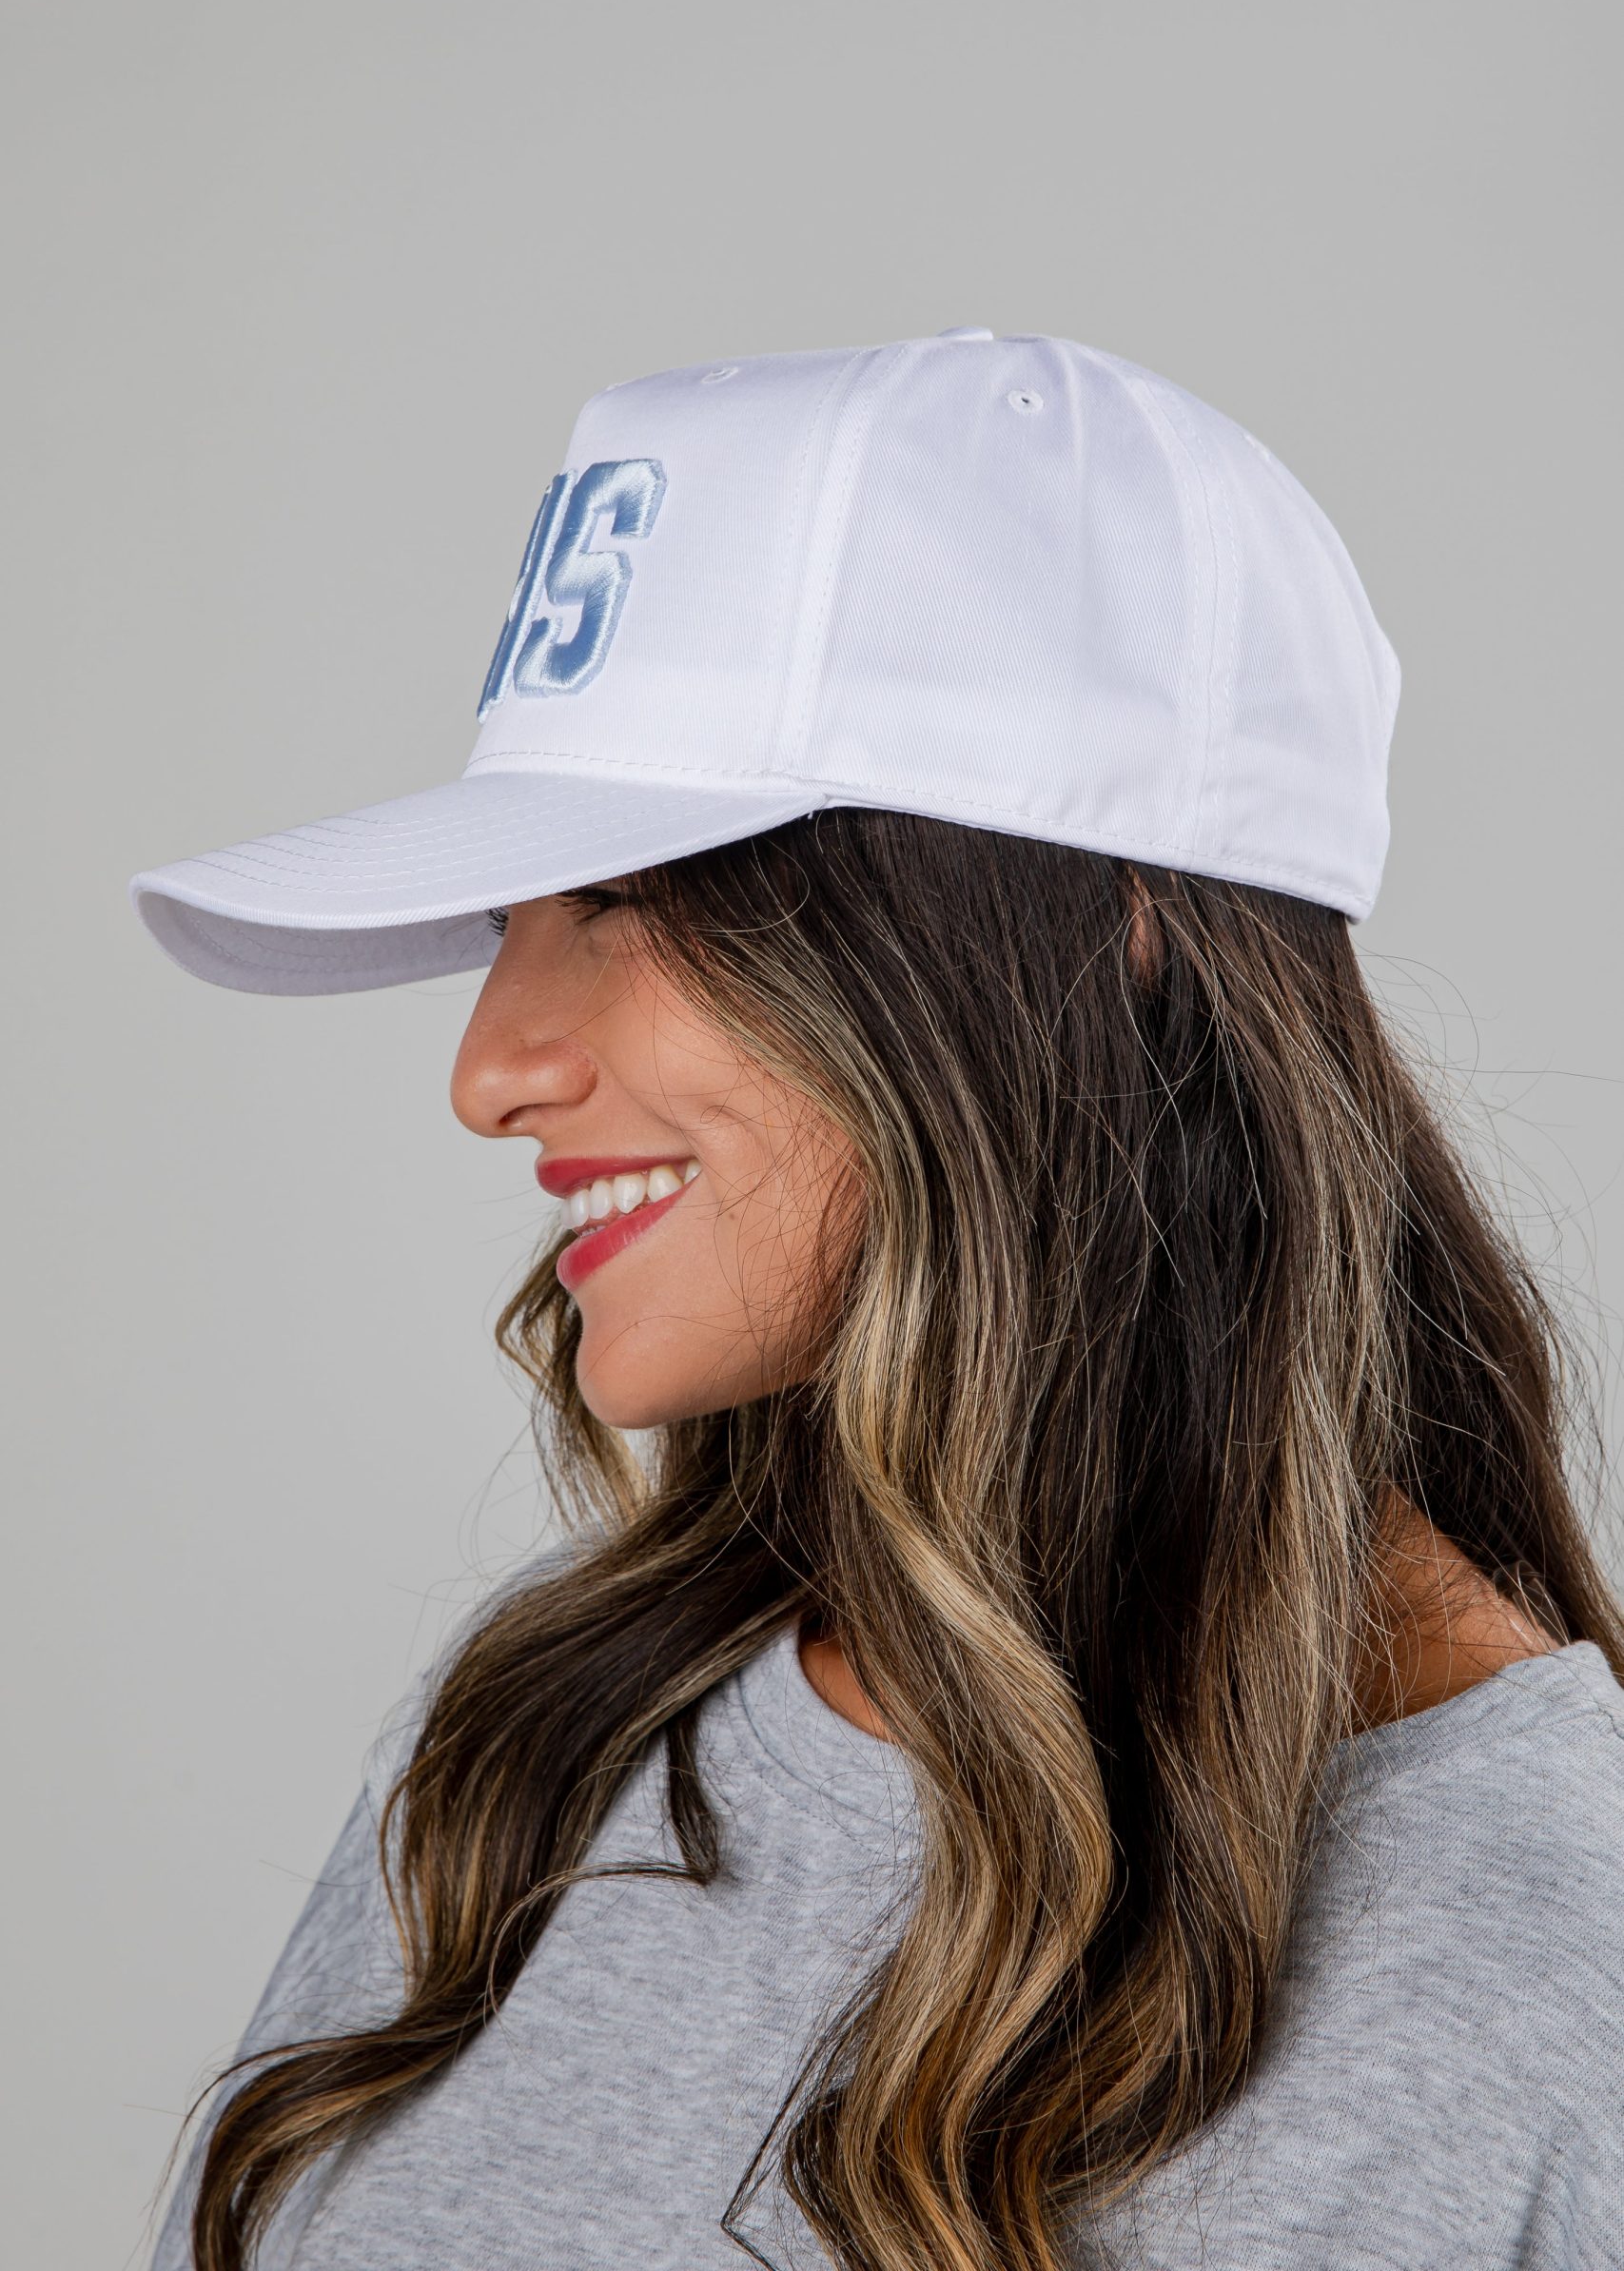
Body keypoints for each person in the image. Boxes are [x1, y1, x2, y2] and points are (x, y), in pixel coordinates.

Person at [131, 330, 1624, 2271]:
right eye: (511, 914)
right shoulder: (539, 1745)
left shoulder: (1544, 1968)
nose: (489, 1067)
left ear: (1109, 928)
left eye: (628, 892)